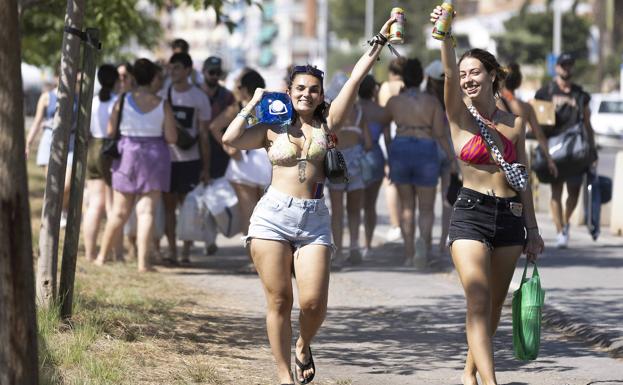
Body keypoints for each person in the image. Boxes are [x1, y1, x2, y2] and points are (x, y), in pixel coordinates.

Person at [222, 17, 396, 385]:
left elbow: (355, 77)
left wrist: (380, 39)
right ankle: (284, 374)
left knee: (315, 304)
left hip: (314, 217)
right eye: (300, 88)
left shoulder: (328, 121)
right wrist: (253, 103)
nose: (307, 94)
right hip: (272, 216)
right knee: (280, 301)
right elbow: (231, 138)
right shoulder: (271, 127)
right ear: (289, 91)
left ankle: (303, 344)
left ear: (320, 93)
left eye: (313, 89)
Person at [433, 6, 544, 385]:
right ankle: (490, 382)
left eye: (475, 72)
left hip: (510, 218)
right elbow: (447, 71)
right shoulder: (458, 116)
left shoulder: (515, 123)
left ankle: (469, 372)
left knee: (494, 306)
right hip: (470, 213)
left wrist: (532, 228)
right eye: (464, 75)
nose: (467, 80)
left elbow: (524, 177)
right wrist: (446, 36)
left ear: (493, 75)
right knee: (478, 299)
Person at [95, 58, 177, 272]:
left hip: (127, 155)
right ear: (152, 79)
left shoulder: (122, 100)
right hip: (155, 156)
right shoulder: (162, 103)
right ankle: (143, 263)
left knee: (120, 212)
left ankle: (102, 256)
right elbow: (172, 137)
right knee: (147, 212)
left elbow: (111, 131)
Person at [380, 58, 454, 268]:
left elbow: (382, 122)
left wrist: (387, 144)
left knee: (407, 207)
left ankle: (409, 254)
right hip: (425, 146)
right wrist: (452, 159)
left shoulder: (395, 101)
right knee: (427, 208)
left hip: (401, 146)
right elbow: (440, 135)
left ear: (404, 78)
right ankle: (425, 249)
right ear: (421, 78)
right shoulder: (432, 102)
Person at [534, 53, 596, 248]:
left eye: (570, 65)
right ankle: (560, 231)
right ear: (557, 67)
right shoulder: (545, 92)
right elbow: (538, 121)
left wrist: (593, 152)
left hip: (576, 149)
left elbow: (587, 123)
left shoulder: (580, 94)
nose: (566, 68)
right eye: (563, 65)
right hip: (554, 147)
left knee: (574, 192)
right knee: (556, 191)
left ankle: (567, 222)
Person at [162, 52, 212, 264]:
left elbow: (204, 134)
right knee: (168, 208)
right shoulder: (164, 92)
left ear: (188, 70)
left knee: (187, 209)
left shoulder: (199, 97)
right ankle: (172, 250)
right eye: (171, 68)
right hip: (166, 160)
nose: (172, 72)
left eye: (177, 68)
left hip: (190, 160)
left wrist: (206, 167)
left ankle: (185, 251)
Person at [326, 72, 366, 266]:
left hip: (336, 162)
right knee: (354, 209)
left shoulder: (330, 111)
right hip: (356, 160)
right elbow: (368, 142)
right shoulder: (358, 111)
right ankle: (354, 246)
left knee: (337, 209)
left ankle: (339, 252)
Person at [83, 64, 118, 262]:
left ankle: (89, 253)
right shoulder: (116, 102)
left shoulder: (92, 102)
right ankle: (115, 252)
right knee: (113, 204)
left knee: (94, 204)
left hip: (92, 147)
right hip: (109, 150)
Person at [202, 56, 236, 255]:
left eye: (217, 73)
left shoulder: (227, 96)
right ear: (204, 72)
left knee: (217, 197)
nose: (214, 76)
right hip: (199, 150)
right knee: (202, 197)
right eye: (211, 72)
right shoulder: (196, 93)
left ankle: (213, 236)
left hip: (221, 152)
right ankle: (208, 239)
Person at [424, 59, 456, 261]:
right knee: (448, 200)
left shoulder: (425, 100)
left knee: (426, 203)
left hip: (429, 149)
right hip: (450, 148)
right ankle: (444, 242)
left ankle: (425, 244)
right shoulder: (452, 98)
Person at [357, 74, 389, 259]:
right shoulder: (381, 111)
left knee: (353, 205)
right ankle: (367, 245)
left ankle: (356, 243)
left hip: (354, 156)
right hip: (375, 156)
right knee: (370, 205)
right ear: (373, 90)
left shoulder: (353, 109)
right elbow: (388, 139)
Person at [378, 57, 406, 243]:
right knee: (407, 182)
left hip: (391, 133)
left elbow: (384, 116)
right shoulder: (409, 86)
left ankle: (396, 225)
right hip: (408, 132)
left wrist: (387, 143)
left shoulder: (386, 87)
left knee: (390, 182)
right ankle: (406, 223)